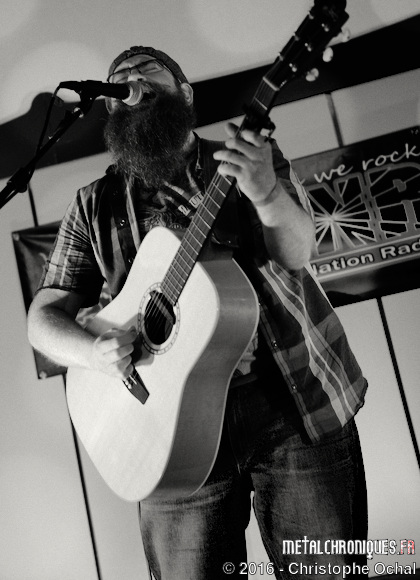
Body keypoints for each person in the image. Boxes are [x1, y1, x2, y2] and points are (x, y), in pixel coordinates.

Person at [27, 46, 368, 580]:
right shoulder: (93, 205)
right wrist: (93, 352)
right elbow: (43, 318)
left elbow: (299, 251)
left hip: (291, 405)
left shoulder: (247, 159)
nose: (133, 79)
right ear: (110, 107)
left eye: (149, 69)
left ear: (185, 94)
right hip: (165, 433)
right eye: (120, 78)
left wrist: (267, 193)